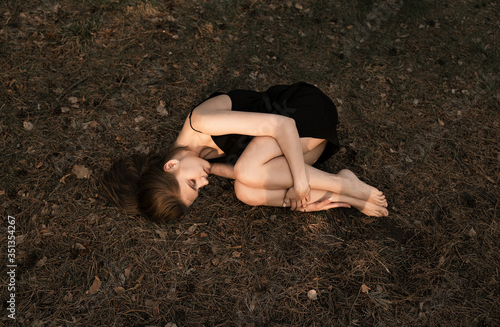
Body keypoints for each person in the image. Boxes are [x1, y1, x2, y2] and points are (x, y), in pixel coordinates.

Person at [102, 82, 388, 222]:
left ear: (171, 165)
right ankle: (338, 194)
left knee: (246, 172)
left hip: (303, 114)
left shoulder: (201, 122)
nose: (204, 182)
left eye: (193, 183)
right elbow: (247, 173)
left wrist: (300, 184)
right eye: (199, 189)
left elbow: (283, 125)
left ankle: (343, 184)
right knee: (246, 192)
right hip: (304, 149)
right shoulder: (198, 160)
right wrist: (294, 200)